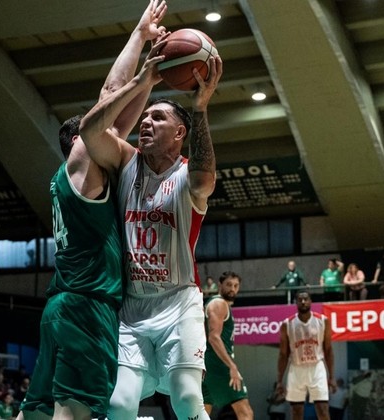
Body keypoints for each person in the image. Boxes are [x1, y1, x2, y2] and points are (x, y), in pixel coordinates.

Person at [18, 2, 168, 420]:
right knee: (74, 414)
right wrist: (139, 56)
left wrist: (146, 70)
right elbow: (108, 101)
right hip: (87, 306)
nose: (116, 138)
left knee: (35, 412)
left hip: (62, 306)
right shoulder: (83, 157)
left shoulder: (68, 179)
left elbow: (116, 123)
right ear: (78, 143)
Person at [80, 14, 222, 420]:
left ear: (179, 134)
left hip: (180, 302)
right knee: (119, 403)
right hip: (134, 308)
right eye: (145, 117)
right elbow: (90, 133)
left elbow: (206, 180)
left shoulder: (188, 177)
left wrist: (199, 108)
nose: (145, 121)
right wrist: (143, 81)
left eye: (157, 118)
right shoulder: (127, 161)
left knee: (187, 398)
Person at [276, 290, 336, 420]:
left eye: (306, 299)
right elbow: (283, 354)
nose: (303, 302)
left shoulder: (323, 321)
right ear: (296, 302)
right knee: (296, 412)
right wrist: (279, 380)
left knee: (323, 410)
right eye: (300, 300)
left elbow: (328, 350)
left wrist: (332, 376)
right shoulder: (287, 324)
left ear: (311, 301)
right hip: (296, 368)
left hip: (317, 368)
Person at [202, 271, 253, 419]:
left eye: (236, 286)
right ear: (220, 285)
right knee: (245, 413)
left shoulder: (216, 303)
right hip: (219, 366)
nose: (232, 289)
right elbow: (214, 338)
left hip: (208, 366)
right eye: (229, 285)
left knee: (202, 414)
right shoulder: (219, 303)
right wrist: (232, 366)